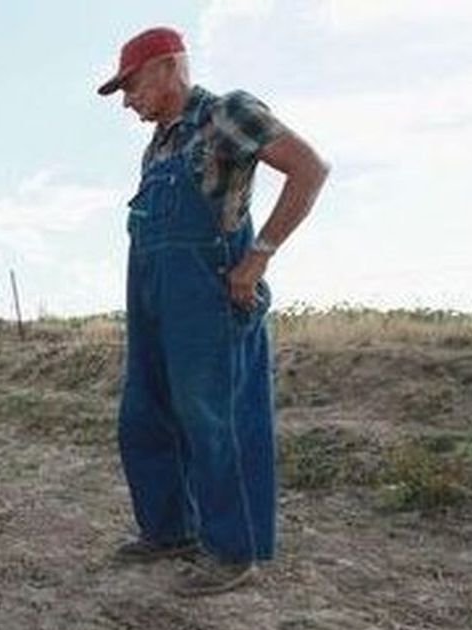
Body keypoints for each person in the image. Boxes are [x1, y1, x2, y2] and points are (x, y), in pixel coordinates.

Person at [98, 26, 329, 596]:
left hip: (208, 291)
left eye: (130, 86)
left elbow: (309, 168)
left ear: (167, 67)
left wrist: (258, 259)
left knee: (214, 417)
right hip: (153, 293)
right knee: (143, 413)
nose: (127, 101)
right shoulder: (159, 144)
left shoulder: (226, 114)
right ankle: (170, 530)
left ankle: (232, 550)